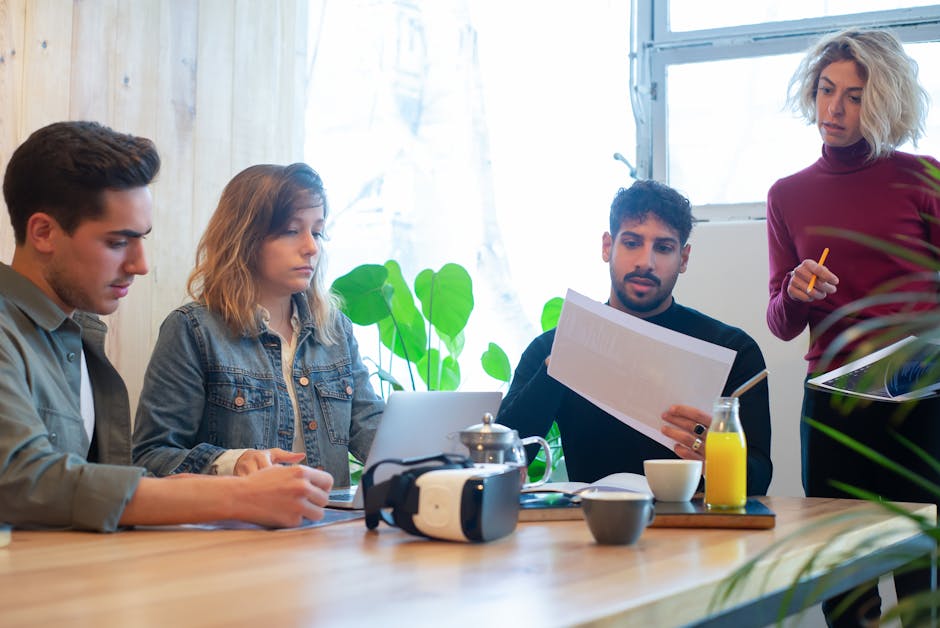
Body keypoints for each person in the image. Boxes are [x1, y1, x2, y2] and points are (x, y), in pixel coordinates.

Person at [0, 121, 334, 531]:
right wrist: (236, 493)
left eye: (142, 239)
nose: (140, 265)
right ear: (43, 232)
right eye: (118, 242)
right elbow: (23, 479)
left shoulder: (82, 337)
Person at [766, 29, 940, 627]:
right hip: (832, 410)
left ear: (885, 100)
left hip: (916, 405)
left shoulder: (924, 181)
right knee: (844, 586)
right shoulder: (787, 195)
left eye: (855, 96)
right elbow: (781, 324)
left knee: (921, 584)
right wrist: (794, 289)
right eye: (825, 90)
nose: (834, 109)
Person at [497, 179, 772, 496]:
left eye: (664, 248)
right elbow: (501, 461)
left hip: (697, 531)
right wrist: (554, 370)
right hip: (590, 531)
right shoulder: (550, 348)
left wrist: (718, 456)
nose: (646, 262)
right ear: (606, 247)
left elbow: (760, 480)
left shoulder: (732, 350)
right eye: (631, 243)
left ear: (683, 259)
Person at [132, 163, 383, 486]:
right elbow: (152, 455)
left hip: (329, 526)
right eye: (292, 230)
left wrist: (435, 452)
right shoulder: (193, 330)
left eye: (317, 232)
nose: (311, 247)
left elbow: (370, 428)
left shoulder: (334, 330)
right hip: (237, 530)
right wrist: (233, 463)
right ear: (245, 238)